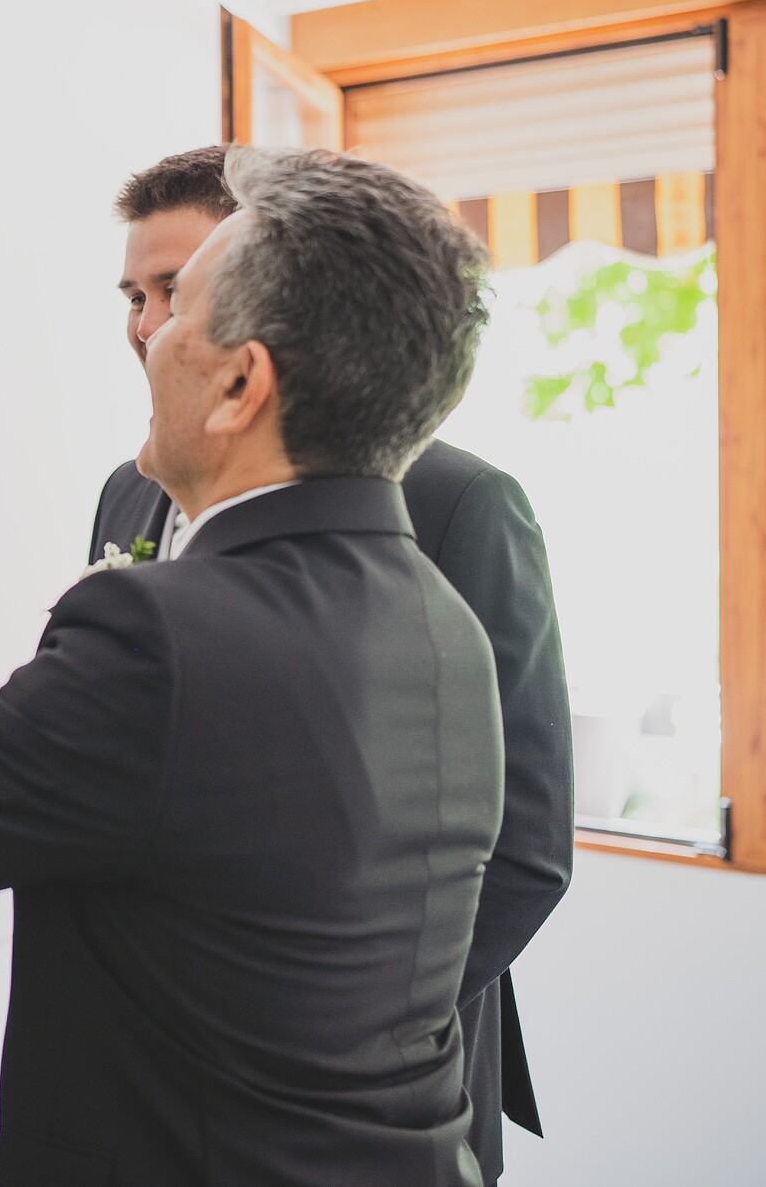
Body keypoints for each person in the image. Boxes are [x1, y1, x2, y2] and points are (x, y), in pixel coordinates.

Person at [0, 147, 504, 1186]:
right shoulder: (437, 622)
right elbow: (136, 805)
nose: (144, 338)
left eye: (177, 313)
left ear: (242, 382)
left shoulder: (164, 628)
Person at [91, 145, 575, 1184]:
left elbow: (526, 844)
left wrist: (335, 1039)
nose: (144, 325)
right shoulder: (125, 494)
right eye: (131, 294)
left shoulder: (457, 503)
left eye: (171, 290)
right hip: (157, 1073)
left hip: (375, 1088)